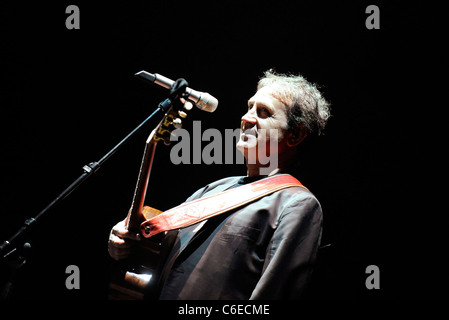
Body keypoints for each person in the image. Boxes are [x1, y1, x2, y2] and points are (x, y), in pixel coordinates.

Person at [108, 69, 331, 299]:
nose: (246, 118)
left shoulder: (297, 204)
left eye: (264, 112)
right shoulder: (214, 189)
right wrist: (124, 242)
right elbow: (156, 254)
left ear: (295, 135)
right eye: (249, 107)